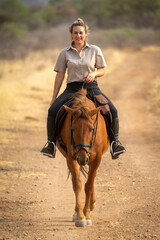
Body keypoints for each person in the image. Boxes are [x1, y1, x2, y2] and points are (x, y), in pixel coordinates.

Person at [41, 18, 125, 159]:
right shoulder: (64, 52)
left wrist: (94, 73)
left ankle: (115, 143)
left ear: (85, 34)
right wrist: (54, 97)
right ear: (71, 34)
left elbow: (103, 69)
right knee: (52, 111)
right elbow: (60, 75)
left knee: (113, 110)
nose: (78, 36)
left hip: (92, 88)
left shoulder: (95, 50)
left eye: (81, 33)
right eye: (75, 33)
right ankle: (51, 144)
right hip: (72, 89)